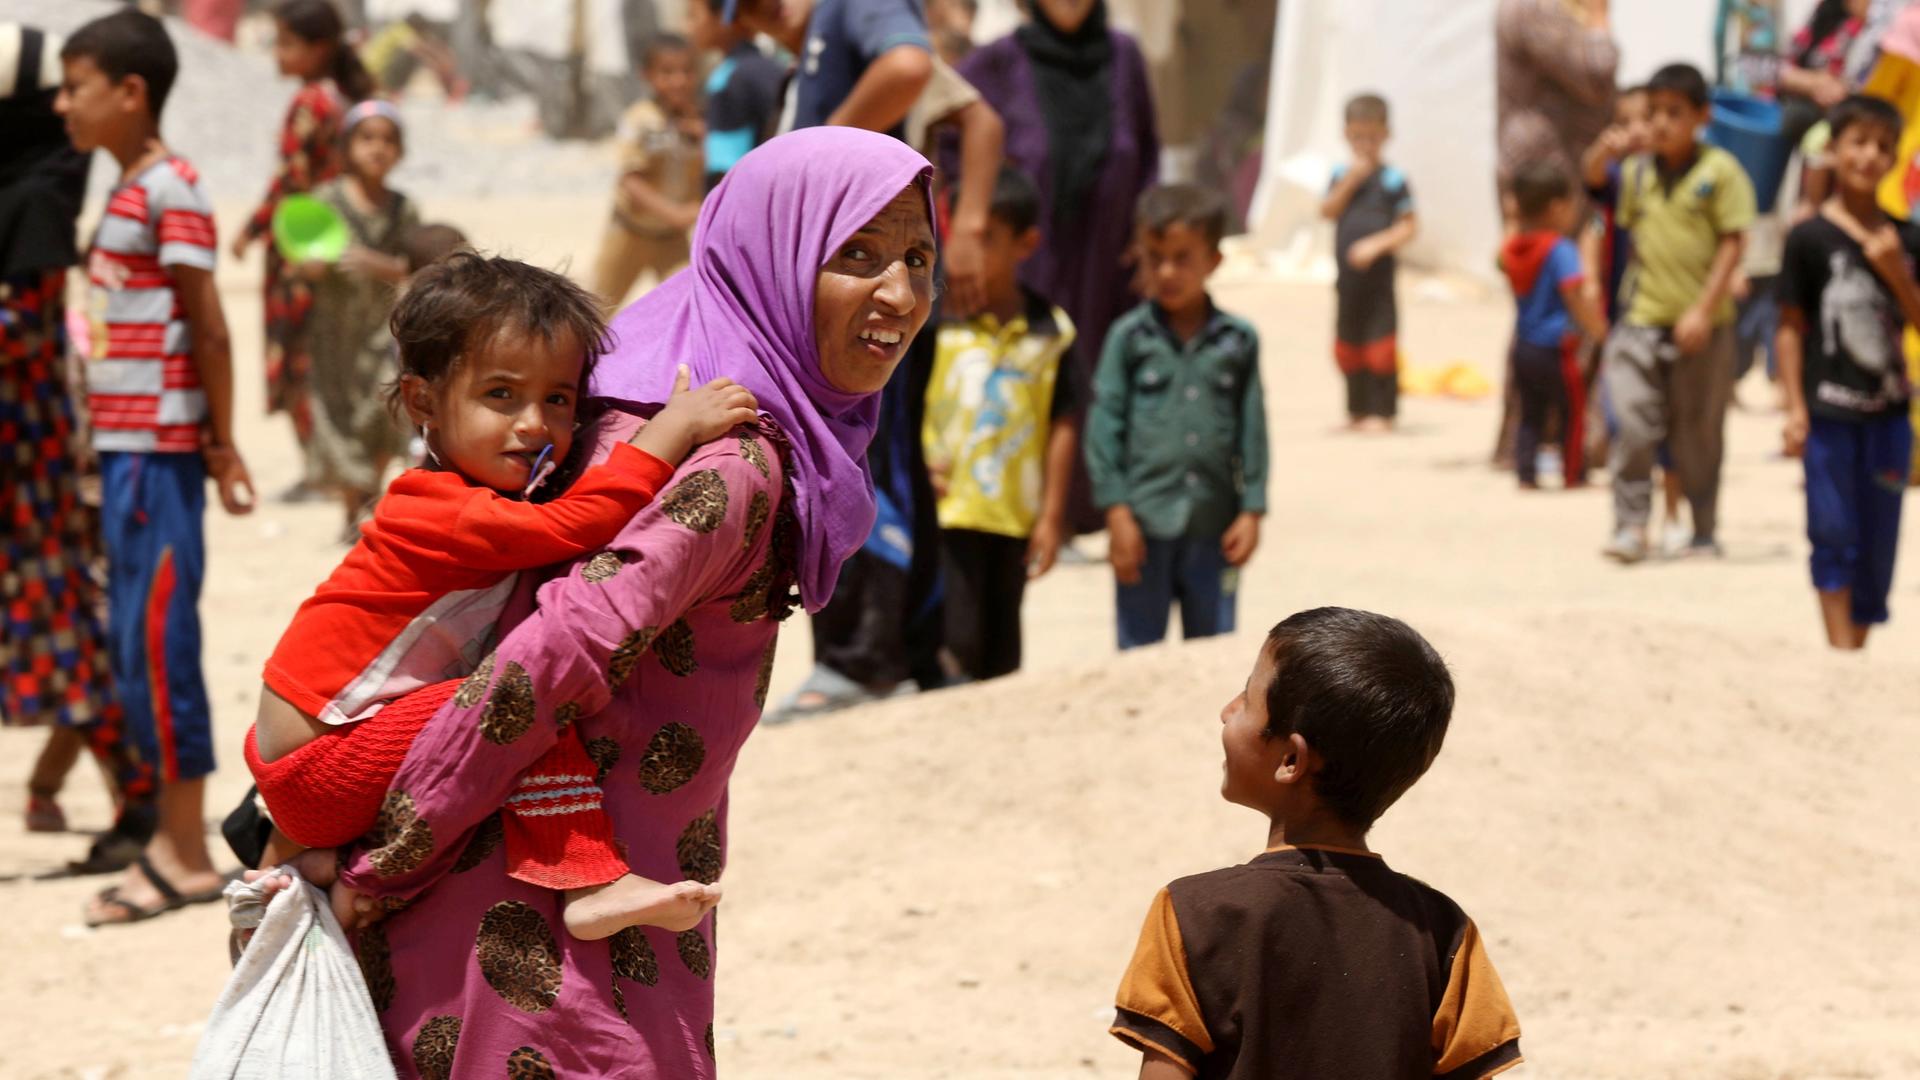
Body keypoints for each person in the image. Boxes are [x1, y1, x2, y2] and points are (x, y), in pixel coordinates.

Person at [240, 127, 936, 1077]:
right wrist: (383, 865)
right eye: (855, 253)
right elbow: (547, 654)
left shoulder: (618, 394)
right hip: (537, 943)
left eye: (918, 257)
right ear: (774, 252)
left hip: (528, 901)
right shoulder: (732, 460)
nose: (900, 292)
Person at [249, 253, 754, 941]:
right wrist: (672, 431)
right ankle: (589, 880)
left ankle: (325, 869)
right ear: (423, 402)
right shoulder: (441, 510)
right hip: (324, 766)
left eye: (559, 399)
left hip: (309, 763)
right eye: (500, 396)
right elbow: (576, 524)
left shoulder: (466, 498)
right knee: (517, 696)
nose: (534, 425)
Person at [1108, 608, 1523, 1079]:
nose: (1226, 710)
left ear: (1291, 759)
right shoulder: (1444, 932)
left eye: (1247, 699)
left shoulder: (1192, 915)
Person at [55, 9, 258, 926]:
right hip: (128, 454)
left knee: (160, 640)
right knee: (134, 648)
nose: (63, 104)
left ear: (130, 93)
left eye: (75, 86)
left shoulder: (172, 188)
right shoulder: (129, 188)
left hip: (163, 456)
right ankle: (169, 837)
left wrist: (220, 442)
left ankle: (182, 852)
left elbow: (208, 326)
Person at [0, 22, 155, 857]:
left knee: (58, 628)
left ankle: (137, 806)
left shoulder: (34, 197)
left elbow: (23, 334)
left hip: (24, 468)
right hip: (24, 459)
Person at [958, 0, 1160, 531]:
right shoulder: (996, 63)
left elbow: (1147, 156)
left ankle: (1090, 511)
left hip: (1107, 265)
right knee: (1029, 376)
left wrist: (1147, 240)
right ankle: (1029, 512)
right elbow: (948, 148)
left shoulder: (1123, 57)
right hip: (1029, 266)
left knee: (1102, 379)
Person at [1086, 184, 1266, 651]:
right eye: (1155, 257)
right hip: (1144, 526)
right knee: (1138, 655)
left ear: (1214, 260)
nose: (1166, 272)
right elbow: (1105, 427)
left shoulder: (1239, 340)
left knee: (1213, 655)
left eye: (1182, 258)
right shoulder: (1128, 338)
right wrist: (1117, 512)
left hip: (1215, 523)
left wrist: (1252, 509)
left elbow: (1253, 428)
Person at [922, 165, 1074, 682]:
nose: (967, 252)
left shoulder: (1052, 330)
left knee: (1003, 650)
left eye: (986, 239)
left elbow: (1063, 421)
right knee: (952, 641)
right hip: (948, 509)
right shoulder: (934, 320)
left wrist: (1052, 515)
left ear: (1026, 243)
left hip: (1014, 514)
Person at [1776, 95, 1918, 650]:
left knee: (1879, 539)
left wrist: (1896, 274)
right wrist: (1794, 407)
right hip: (1830, 415)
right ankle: (1839, 653)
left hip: (1888, 417)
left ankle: (1857, 650)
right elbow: (1790, 326)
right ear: (1832, 151)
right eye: (1858, 142)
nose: (1869, 156)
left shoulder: (1906, 239)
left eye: (1883, 146)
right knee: (1833, 532)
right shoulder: (1809, 238)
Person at [1602, 63, 1756, 564]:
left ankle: (1704, 530)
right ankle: (1630, 526)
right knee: (1632, 424)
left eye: (1675, 112)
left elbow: (1734, 242)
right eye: (1654, 112)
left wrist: (1703, 309)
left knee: (1699, 434)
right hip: (1642, 320)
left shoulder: (1721, 172)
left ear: (1701, 116)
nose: (1662, 123)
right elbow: (1631, 238)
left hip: (1703, 327)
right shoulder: (1636, 173)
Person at [232, 0, 374, 498]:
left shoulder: (310, 104)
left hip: (301, 243)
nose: (278, 53)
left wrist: (251, 228)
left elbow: (291, 182)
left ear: (319, 49)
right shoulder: (346, 99)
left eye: (287, 42)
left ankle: (321, 470)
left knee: (297, 357)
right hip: (342, 240)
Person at [1494, 0, 1618, 464]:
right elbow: (1596, 72)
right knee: (1557, 301)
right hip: (1549, 172)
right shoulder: (1535, 10)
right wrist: (1600, 22)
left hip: (1560, 170)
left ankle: (1544, 441)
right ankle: (1558, 442)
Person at [301, 100, 418, 539]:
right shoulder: (325, 201)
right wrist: (310, 263)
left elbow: (419, 264)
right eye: (367, 138)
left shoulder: (403, 209)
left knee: (382, 411)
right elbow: (301, 256)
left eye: (388, 140)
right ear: (347, 147)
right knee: (340, 416)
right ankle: (354, 508)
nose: (377, 149)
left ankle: (369, 494)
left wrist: (377, 264)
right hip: (335, 334)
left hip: (383, 332)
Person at [1586, 84, 1691, 548]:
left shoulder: (1673, 179)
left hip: (1667, 311)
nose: (1636, 132)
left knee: (1673, 424)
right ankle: (1632, 522)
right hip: (1624, 316)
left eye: (1643, 121)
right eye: (1624, 123)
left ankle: (1672, 514)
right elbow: (1590, 190)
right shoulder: (1620, 178)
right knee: (1630, 425)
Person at [1502, 163, 1609, 489]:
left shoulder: (1514, 248)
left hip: (1523, 345)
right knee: (1573, 412)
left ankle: (1526, 474)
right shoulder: (1560, 250)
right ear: (1557, 207)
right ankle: (1573, 472)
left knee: (1530, 413)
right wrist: (1600, 330)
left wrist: (1513, 219)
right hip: (1557, 347)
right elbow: (1573, 294)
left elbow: (1500, 259)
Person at [1320, 93, 1418, 431]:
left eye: (1373, 137)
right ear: (1346, 135)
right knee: (1349, 345)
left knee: (1380, 346)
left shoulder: (1393, 181)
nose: (1366, 144)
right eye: (1358, 137)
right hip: (1347, 281)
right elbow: (1327, 211)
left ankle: (1383, 412)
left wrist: (1377, 245)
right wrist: (1351, 180)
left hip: (1379, 279)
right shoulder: (1339, 175)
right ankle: (1356, 410)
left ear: (1386, 134)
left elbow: (1409, 225)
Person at [591, 34, 705, 309]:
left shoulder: (699, 120)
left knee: (691, 306)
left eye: (686, 71)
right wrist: (675, 213)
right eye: (667, 72)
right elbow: (630, 180)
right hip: (630, 232)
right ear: (648, 76)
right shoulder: (641, 119)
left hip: (671, 239)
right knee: (596, 309)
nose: (678, 80)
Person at [686, 0, 784, 192]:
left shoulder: (726, 78)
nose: (688, 27)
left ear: (725, 18)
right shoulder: (771, 66)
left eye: (693, 16)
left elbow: (724, 169)